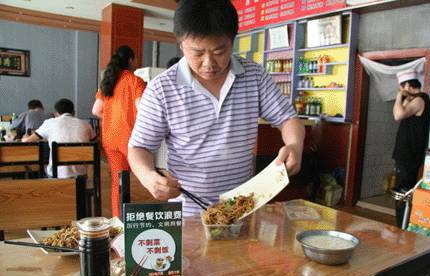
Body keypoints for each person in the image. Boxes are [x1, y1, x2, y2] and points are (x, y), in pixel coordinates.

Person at [128, 0, 305, 217]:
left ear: (232, 41)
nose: (209, 63)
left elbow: (288, 118)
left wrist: (295, 144)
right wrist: (148, 177)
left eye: (220, 51)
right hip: (188, 211)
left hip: (242, 205)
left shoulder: (254, 76)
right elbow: (139, 147)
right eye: (198, 53)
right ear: (181, 44)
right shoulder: (162, 89)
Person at [91, 45, 145, 217]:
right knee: (139, 180)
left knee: (118, 181)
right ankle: (135, 218)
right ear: (130, 60)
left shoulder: (107, 82)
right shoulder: (135, 81)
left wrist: (112, 117)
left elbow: (96, 110)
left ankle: (118, 219)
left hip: (110, 138)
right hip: (130, 138)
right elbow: (142, 110)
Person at [392, 69, 430, 228]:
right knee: (403, 192)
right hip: (407, 154)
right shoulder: (414, 100)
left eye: (402, 87)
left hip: (408, 155)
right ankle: (402, 225)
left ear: (407, 85)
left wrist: (398, 98)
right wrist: (404, 98)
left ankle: (402, 228)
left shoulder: (420, 100)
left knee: (403, 194)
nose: (400, 91)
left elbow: (398, 115)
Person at [22, 98, 95, 178]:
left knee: (42, 167)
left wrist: (24, 138)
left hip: (57, 176)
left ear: (56, 113)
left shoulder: (50, 123)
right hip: (81, 176)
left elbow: (27, 141)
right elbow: (95, 142)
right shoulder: (86, 124)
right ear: (73, 112)